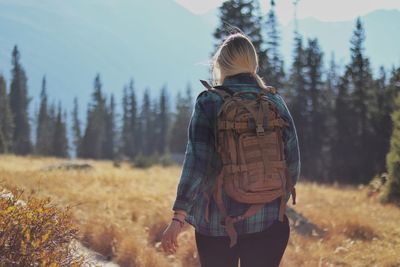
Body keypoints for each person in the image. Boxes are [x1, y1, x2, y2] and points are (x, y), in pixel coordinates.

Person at [161, 32, 300, 267]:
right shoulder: (273, 101)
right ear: (253, 64)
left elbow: (196, 164)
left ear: (220, 65)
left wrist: (179, 216)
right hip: (269, 224)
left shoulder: (209, 101)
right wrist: (270, 200)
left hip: (217, 226)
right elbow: (293, 162)